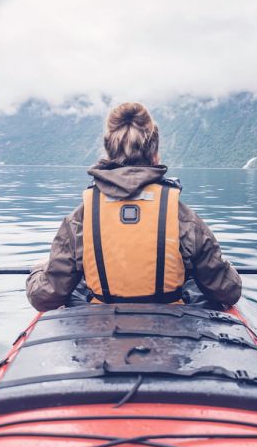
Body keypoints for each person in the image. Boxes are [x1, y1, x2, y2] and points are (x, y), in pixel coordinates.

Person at [25, 102, 242, 311]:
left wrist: (38, 271)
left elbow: (45, 297)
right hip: (170, 330)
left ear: (109, 153)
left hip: (102, 332)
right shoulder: (182, 217)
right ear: (155, 155)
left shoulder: (80, 219)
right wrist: (225, 267)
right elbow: (227, 292)